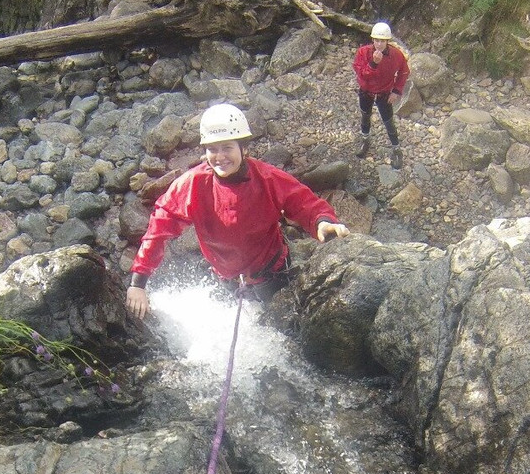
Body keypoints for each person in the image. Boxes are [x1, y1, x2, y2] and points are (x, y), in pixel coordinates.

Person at [125, 103, 350, 319]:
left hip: (272, 273)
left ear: (243, 148)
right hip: (225, 275)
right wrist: (138, 283)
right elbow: (159, 227)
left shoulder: (267, 178)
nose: (220, 156)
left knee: (281, 324)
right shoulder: (193, 184)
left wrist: (322, 221)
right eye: (213, 149)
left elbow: (303, 202)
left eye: (227, 147)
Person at [352, 22, 410, 170]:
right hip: (366, 91)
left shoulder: (396, 55)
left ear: (387, 41)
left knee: (388, 121)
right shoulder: (363, 53)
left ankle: (396, 149)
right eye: (377, 40)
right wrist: (373, 63)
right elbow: (362, 75)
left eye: (382, 41)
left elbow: (404, 71)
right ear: (372, 40)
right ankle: (365, 139)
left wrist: (396, 90)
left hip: (384, 93)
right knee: (365, 115)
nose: (379, 44)